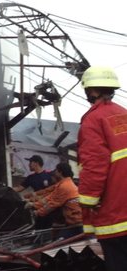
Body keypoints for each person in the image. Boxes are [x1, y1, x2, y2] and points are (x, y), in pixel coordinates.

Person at [77, 66, 127, 271]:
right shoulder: (123, 114)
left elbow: (94, 165)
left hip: (115, 213)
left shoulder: (93, 119)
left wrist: (88, 202)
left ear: (90, 91)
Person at [25, 162, 82, 239]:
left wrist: (37, 212)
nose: (54, 173)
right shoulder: (63, 184)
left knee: (58, 243)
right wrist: (34, 203)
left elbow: (52, 204)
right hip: (73, 221)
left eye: (56, 171)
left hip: (76, 223)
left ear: (60, 172)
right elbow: (49, 196)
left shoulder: (65, 186)